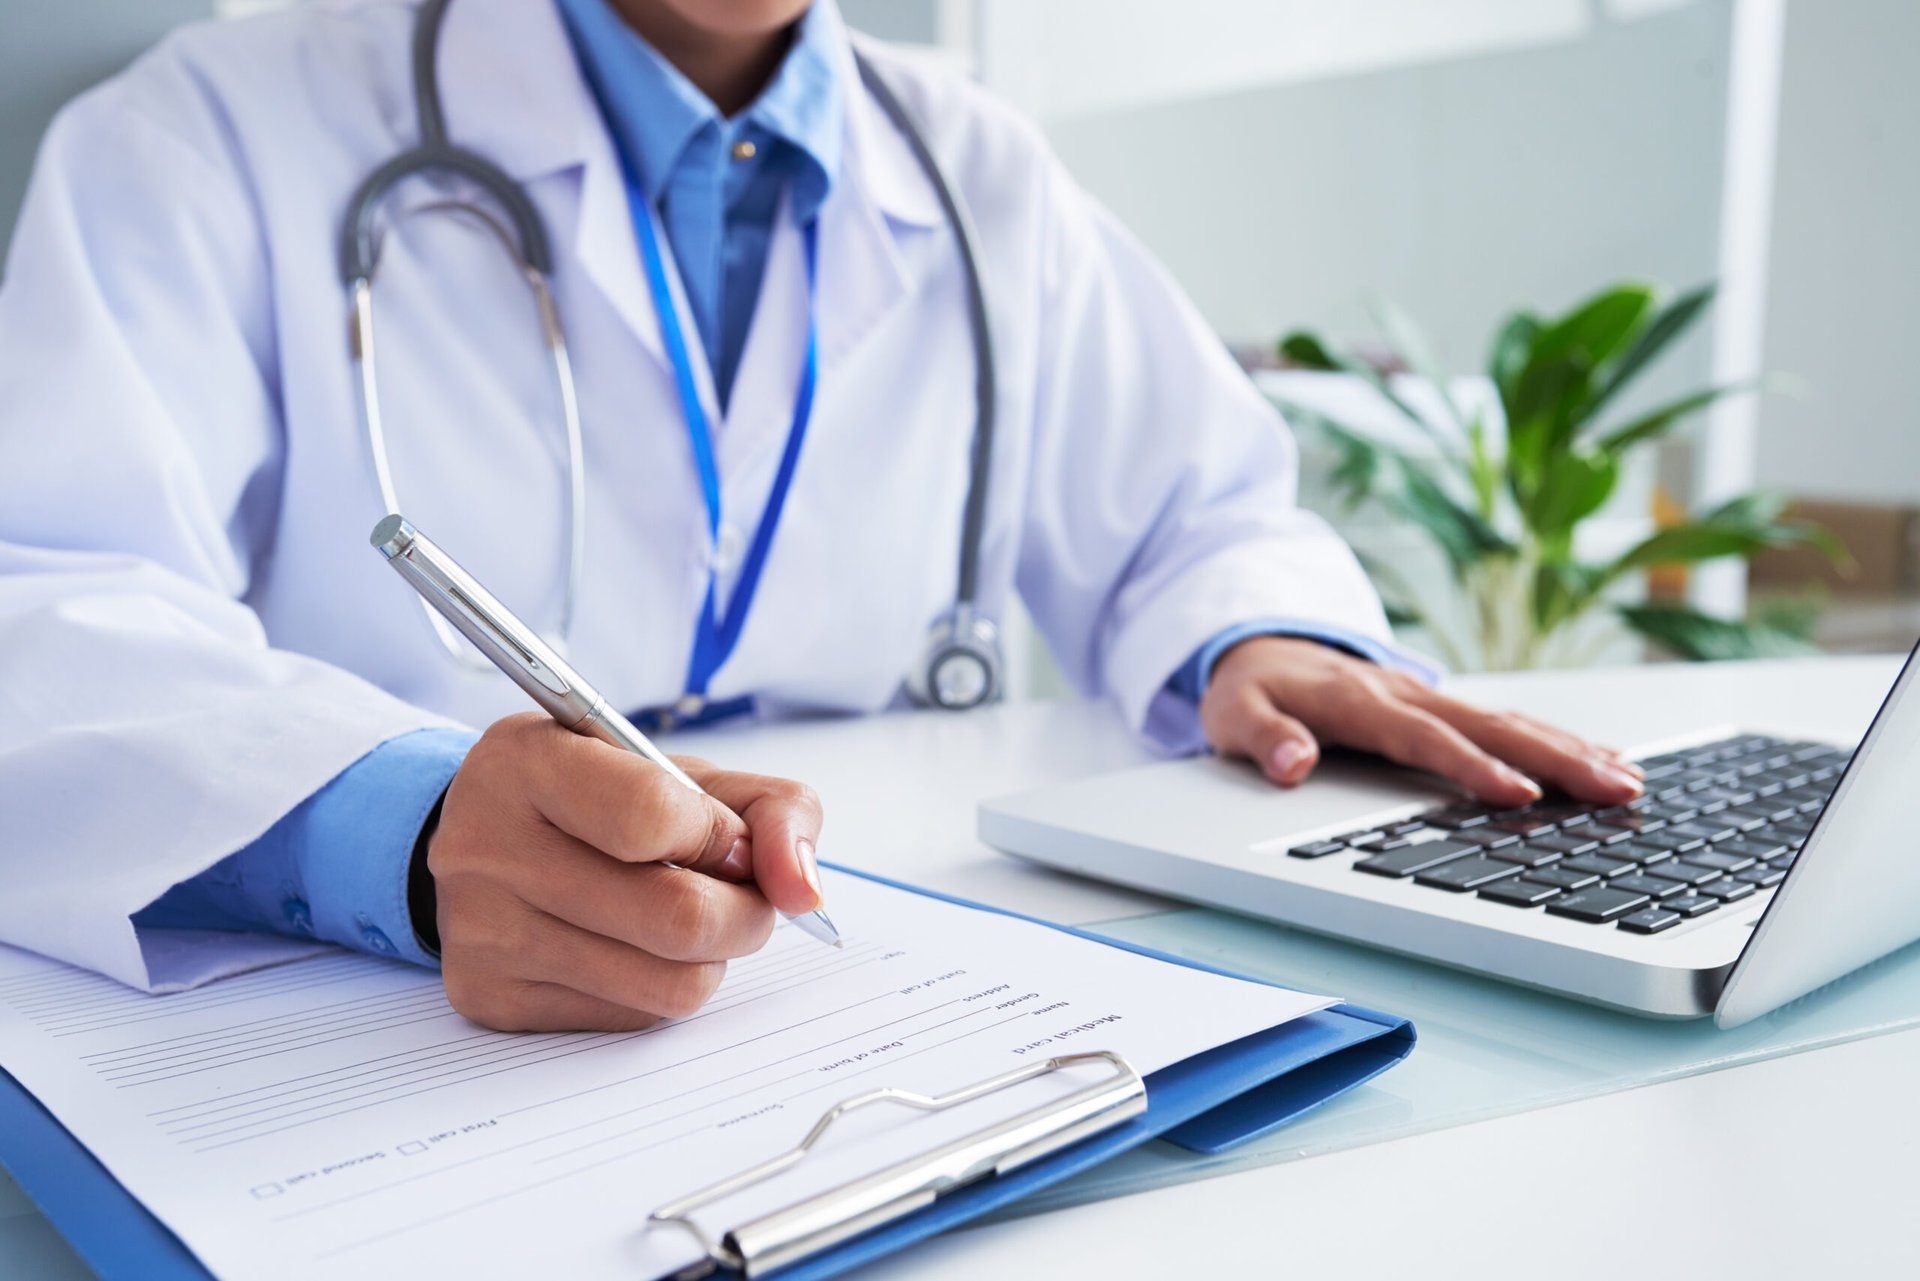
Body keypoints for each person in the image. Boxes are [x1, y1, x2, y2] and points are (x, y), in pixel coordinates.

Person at [0, 0, 1641, 1032]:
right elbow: (44, 605)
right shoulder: (208, 130)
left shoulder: (983, 169)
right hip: (388, 1048)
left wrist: (1256, 630)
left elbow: (1196, 510)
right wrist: (404, 834)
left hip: (881, 1003)